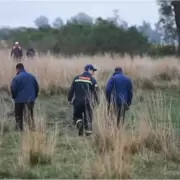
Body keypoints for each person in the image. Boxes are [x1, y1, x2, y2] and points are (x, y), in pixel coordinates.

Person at [67, 64, 99, 136]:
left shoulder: (76, 78)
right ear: (88, 70)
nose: (93, 72)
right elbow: (96, 92)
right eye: (92, 70)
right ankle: (88, 134)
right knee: (88, 117)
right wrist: (97, 102)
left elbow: (71, 90)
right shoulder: (92, 80)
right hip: (88, 102)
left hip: (77, 102)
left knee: (77, 116)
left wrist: (69, 99)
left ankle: (79, 124)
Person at [10, 63, 39, 131]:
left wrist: (14, 96)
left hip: (19, 100)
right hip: (30, 100)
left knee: (18, 115)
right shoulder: (32, 76)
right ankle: (32, 129)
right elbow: (37, 87)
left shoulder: (16, 78)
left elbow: (13, 89)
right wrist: (34, 96)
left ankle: (19, 129)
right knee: (29, 115)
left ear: (17, 69)